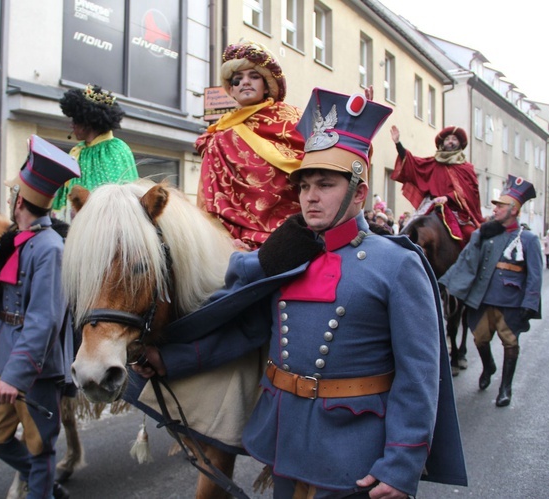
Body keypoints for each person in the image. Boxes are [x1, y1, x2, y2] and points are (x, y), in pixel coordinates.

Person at [138, 88, 467, 497]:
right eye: (304, 185)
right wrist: (171, 359)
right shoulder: (291, 257)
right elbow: (248, 332)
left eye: (325, 184)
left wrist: (401, 464)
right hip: (287, 437)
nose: (310, 196)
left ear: (359, 193)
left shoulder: (397, 265)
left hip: (355, 449)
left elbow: (419, 376)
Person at [0, 135, 80, 499]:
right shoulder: (20, 239)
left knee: (41, 447)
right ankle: (44, 477)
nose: (9, 199)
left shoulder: (50, 248)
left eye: (12, 195)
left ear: (19, 200)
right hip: (6, 358)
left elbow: (44, 319)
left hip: (36, 368)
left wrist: (18, 374)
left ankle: (43, 484)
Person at [440, 175, 542, 407]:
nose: (495, 210)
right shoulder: (487, 235)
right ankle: (488, 366)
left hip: (511, 302)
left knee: (510, 343)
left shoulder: (528, 239)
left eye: (500, 206)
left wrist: (530, 302)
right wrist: (445, 282)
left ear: (514, 210)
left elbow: (534, 275)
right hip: (484, 300)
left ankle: (505, 388)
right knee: (480, 339)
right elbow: (466, 261)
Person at [196, 40, 304, 249]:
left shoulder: (293, 119)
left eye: (254, 76)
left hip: (293, 236)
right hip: (234, 244)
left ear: (266, 86)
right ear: (232, 90)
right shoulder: (218, 137)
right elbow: (208, 199)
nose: (245, 82)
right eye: (238, 79)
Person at [50, 84, 138, 222]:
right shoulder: (78, 151)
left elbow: (116, 196)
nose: (71, 125)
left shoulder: (114, 149)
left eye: (75, 120)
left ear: (87, 123)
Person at [390, 125, 485, 247]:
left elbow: (471, 192)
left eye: (454, 139)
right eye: (447, 139)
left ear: (460, 144)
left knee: (472, 235)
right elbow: (413, 163)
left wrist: (448, 197)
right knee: (407, 230)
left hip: (456, 209)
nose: (450, 141)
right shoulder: (433, 163)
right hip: (433, 204)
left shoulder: (466, 168)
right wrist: (398, 144)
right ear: (442, 143)